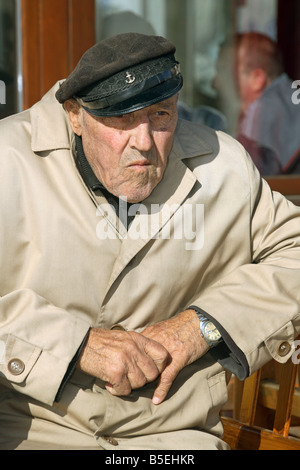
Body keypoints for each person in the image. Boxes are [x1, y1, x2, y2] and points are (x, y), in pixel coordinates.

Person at [0, 32, 300, 451]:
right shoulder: (7, 161)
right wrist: (75, 345)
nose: (144, 142)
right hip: (33, 428)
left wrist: (202, 324)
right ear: (74, 115)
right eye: (122, 119)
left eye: (161, 115)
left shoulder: (223, 167)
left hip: (174, 436)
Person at [235, 32, 300, 175]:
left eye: (227, 75)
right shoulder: (291, 92)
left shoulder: (259, 112)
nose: (214, 83)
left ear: (257, 78)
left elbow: (250, 181)